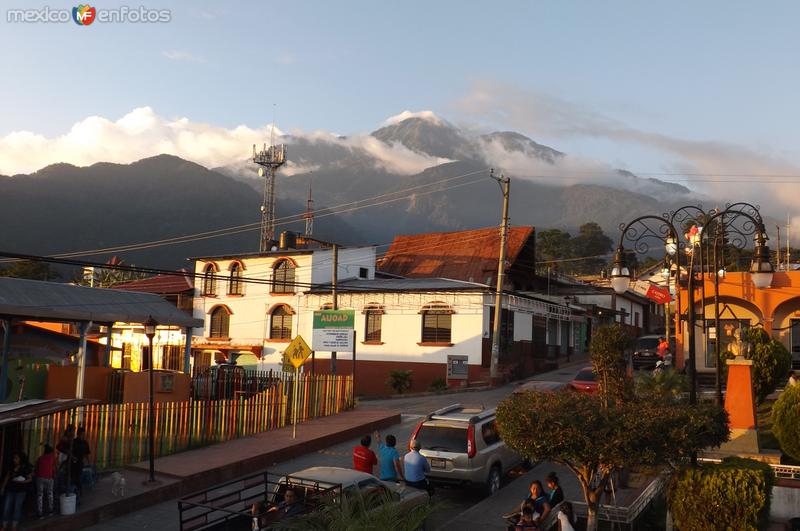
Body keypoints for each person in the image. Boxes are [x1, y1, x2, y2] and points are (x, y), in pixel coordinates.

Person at [1, 452, 33, 531]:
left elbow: (29, 479)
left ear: (20, 459)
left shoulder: (25, 468)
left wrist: (22, 482)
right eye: (14, 458)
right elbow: (7, 477)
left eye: (16, 458)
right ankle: (4, 525)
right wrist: (2, 487)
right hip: (10, 490)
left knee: (17, 508)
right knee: (6, 507)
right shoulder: (11, 467)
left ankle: (14, 526)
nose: (14, 460)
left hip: (20, 491)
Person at [35, 444, 57, 518]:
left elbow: (36, 468)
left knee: (40, 495)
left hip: (40, 478)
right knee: (50, 493)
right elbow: (54, 468)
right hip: (49, 478)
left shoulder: (40, 458)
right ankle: (51, 510)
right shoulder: (52, 457)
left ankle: (39, 512)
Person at [71, 426, 91, 496]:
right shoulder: (73, 442)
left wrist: (88, 462)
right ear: (78, 434)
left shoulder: (85, 443)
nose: (83, 436)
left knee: (78, 477)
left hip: (80, 463)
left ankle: (79, 491)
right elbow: (70, 452)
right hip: (72, 463)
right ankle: (74, 490)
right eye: (82, 434)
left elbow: (87, 454)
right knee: (73, 477)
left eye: (84, 434)